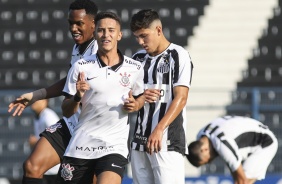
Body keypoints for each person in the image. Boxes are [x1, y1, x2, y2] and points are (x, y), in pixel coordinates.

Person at [7, 0, 99, 183]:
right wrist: (35, 96)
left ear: (93, 24)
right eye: (70, 23)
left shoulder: (99, 51)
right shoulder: (78, 47)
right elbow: (69, 80)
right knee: (32, 167)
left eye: (79, 23)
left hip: (92, 130)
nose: (74, 28)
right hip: (71, 123)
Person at [58, 11, 145, 184]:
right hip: (81, 145)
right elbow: (66, 111)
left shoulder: (135, 68)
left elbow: (140, 97)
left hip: (114, 146)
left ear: (119, 35)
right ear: (95, 34)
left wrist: (135, 105)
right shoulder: (81, 67)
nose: (106, 35)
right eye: (101, 30)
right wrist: (77, 96)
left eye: (111, 30)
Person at [129, 9, 194, 184]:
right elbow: (130, 99)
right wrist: (138, 99)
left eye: (144, 36)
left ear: (159, 30)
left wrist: (159, 129)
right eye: (136, 37)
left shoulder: (178, 55)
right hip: (139, 142)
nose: (140, 42)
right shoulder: (137, 58)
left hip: (167, 142)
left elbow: (181, 98)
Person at [187, 115, 278, 184]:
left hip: (264, 143)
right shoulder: (201, 135)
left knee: (242, 180)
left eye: (206, 161)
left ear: (204, 150)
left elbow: (242, 180)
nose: (210, 162)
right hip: (254, 133)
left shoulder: (222, 144)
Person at [29, 99, 60, 184]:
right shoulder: (39, 116)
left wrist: (37, 142)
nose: (33, 102)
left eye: (36, 100)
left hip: (54, 169)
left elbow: (57, 137)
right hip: (45, 168)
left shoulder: (48, 115)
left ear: (45, 102)